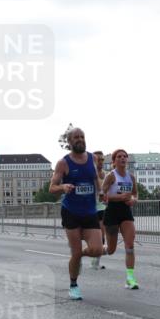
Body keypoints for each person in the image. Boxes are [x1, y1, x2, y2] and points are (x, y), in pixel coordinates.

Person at [48, 127, 103, 300]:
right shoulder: (63, 163)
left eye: (82, 137)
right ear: (69, 142)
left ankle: (77, 256)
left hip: (89, 211)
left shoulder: (92, 158)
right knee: (76, 251)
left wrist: (101, 192)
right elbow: (52, 188)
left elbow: (95, 179)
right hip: (71, 211)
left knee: (97, 249)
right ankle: (73, 284)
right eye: (76, 137)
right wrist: (63, 187)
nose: (80, 139)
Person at [101, 149, 140, 289]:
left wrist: (133, 200)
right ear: (114, 161)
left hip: (125, 212)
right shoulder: (111, 176)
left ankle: (130, 278)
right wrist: (119, 197)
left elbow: (135, 194)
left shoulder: (131, 177)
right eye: (119, 156)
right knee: (111, 250)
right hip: (112, 212)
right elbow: (102, 196)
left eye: (125, 156)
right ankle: (92, 252)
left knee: (130, 246)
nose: (123, 158)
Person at [91, 150, 107, 270]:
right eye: (98, 159)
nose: (100, 162)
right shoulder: (89, 174)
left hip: (101, 207)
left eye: (102, 159)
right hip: (90, 208)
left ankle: (96, 260)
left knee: (102, 234)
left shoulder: (106, 175)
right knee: (91, 235)